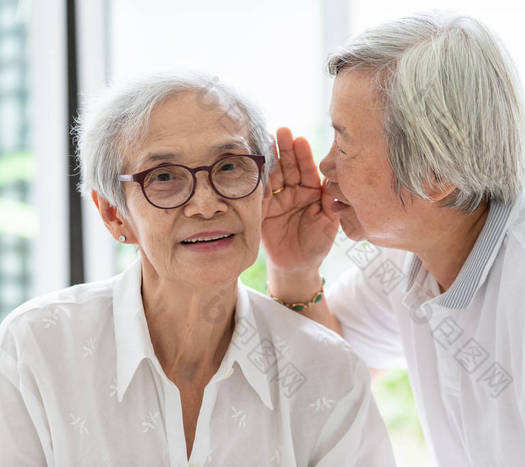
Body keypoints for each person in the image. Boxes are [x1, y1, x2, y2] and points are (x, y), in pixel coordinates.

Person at [262, 12, 525, 466]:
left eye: (345, 145)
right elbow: (326, 378)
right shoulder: (415, 255)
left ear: (437, 175)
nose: (326, 167)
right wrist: (294, 269)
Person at [0, 72, 396, 466]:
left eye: (229, 167)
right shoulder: (37, 347)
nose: (206, 205)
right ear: (114, 214)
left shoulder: (327, 369)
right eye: (164, 177)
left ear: (263, 189)